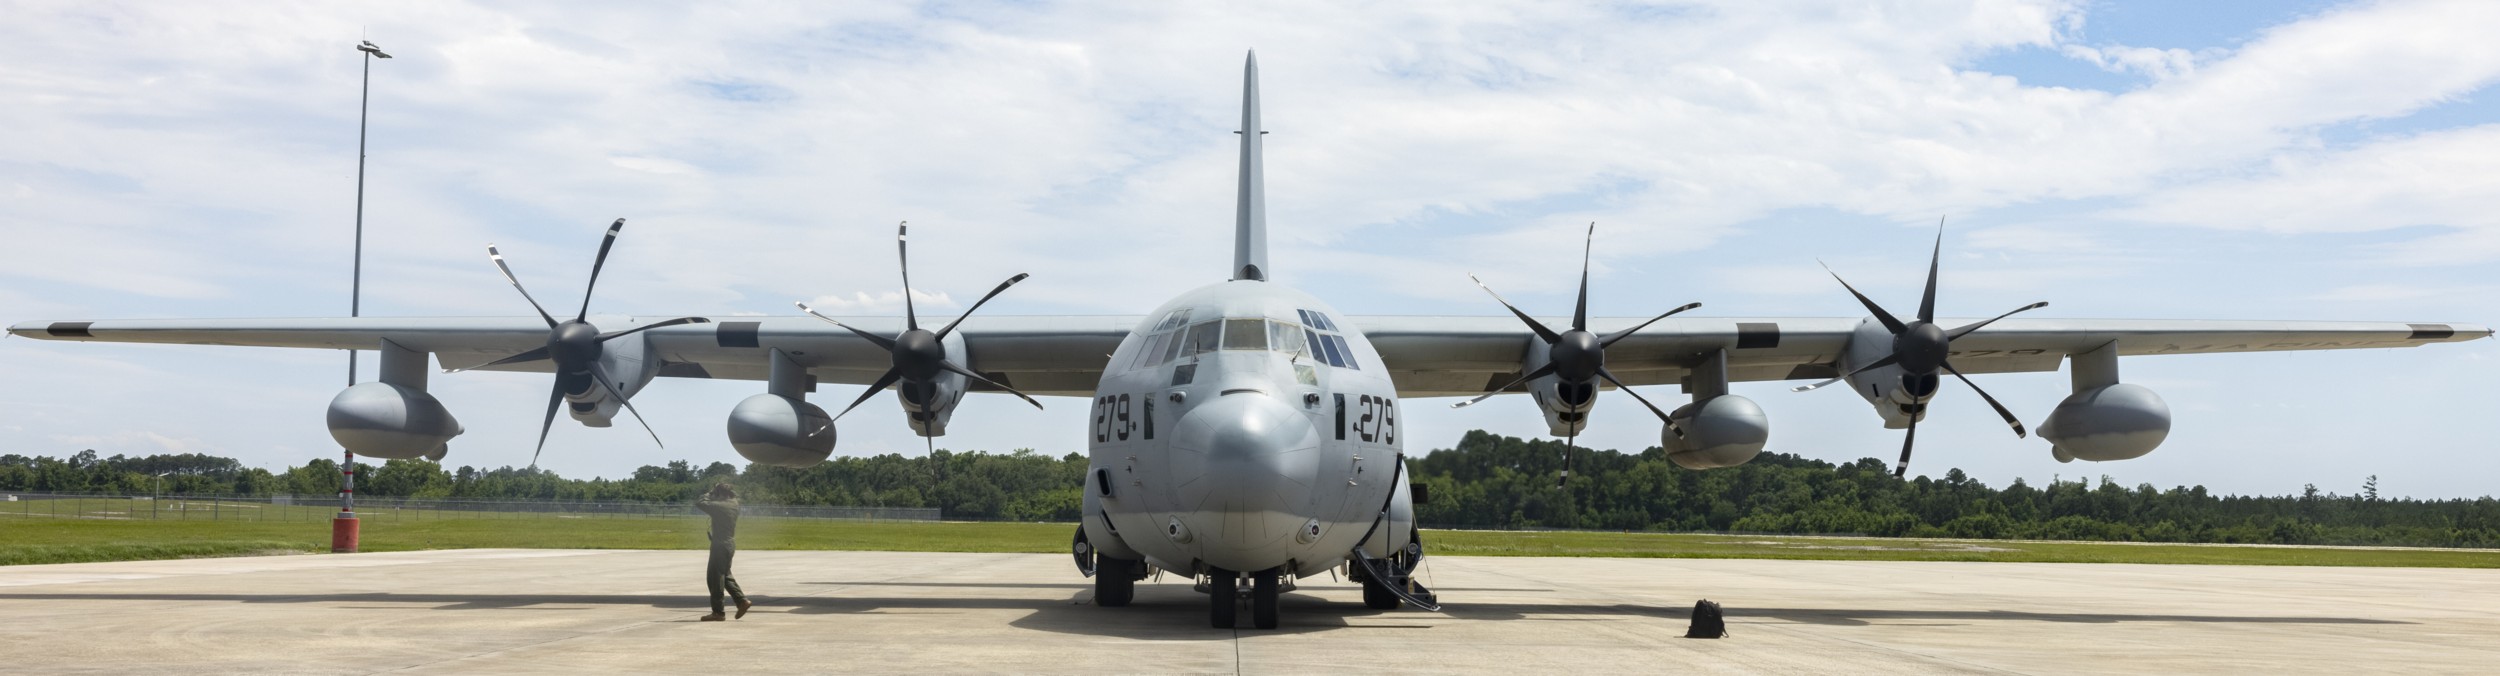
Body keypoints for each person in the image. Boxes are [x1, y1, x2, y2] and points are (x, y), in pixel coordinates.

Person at [695, 483, 752, 621]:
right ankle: (741, 601)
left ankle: (718, 612)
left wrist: (710, 493)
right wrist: (719, 492)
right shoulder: (734, 503)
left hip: (720, 545)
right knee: (725, 575)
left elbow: (700, 502)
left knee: (715, 579)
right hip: (729, 544)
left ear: (720, 494)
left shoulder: (720, 506)